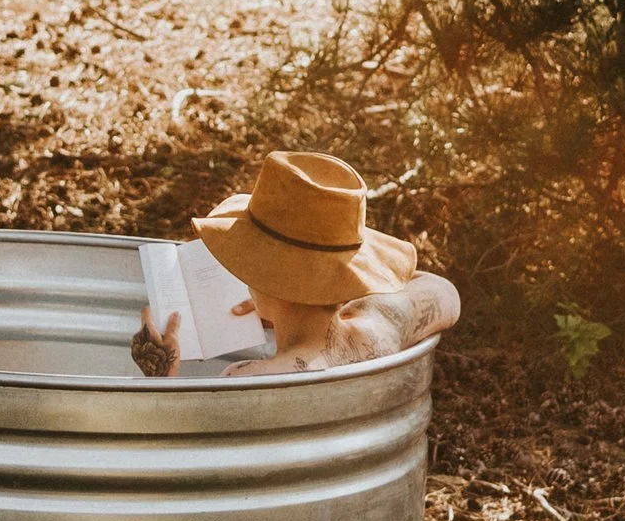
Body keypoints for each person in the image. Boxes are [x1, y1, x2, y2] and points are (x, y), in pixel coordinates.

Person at [130, 148, 459, 377]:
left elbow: (188, 458)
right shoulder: (382, 330)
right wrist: (338, 294)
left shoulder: (247, 377)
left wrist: (162, 375)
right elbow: (445, 292)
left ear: (264, 277)